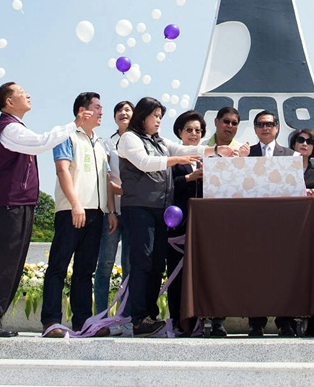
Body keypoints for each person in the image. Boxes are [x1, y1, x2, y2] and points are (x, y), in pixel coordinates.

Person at [0, 81, 77, 338]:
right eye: (21, 93)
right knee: (3, 264)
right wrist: (73, 125)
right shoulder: (9, 128)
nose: (28, 95)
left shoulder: (17, 127)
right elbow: (42, 142)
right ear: (9, 101)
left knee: (13, 264)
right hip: (9, 205)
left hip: (20, 205)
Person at [118, 96, 227, 337]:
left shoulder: (159, 141)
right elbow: (145, 163)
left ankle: (151, 316)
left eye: (160, 117)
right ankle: (138, 318)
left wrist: (216, 149)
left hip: (160, 209)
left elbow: (186, 149)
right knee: (142, 262)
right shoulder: (129, 139)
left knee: (157, 264)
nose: (158, 121)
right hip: (139, 208)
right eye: (155, 116)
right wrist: (176, 160)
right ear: (143, 116)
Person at [42, 92, 114, 337]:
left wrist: (111, 211)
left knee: (85, 270)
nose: (101, 111)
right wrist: (75, 204)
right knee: (58, 267)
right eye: (97, 107)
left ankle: (82, 320)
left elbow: (106, 179)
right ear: (82, 111)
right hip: (71, 211)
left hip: (97, 213)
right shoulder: (67, 136)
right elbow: (62, 171)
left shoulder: (100, 143)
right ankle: (51, 321)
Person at [246, 110, 300, 338]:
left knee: (283, 273)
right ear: (255, 129)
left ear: (277, 127)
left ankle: (285, 321)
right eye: (260, 124)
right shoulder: (246, 155)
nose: (265, 128)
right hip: (254, 223)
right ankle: (256, 322)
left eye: (269, 124)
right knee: (255, 272)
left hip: (282, 224)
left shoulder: (291, 155)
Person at [166, 111, 211, 336]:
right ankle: (176, 320)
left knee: (200, 275)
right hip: (177, 225)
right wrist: (188, 178)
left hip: (203, 226)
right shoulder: (172, 156)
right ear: (179, 133)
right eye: (189, 130)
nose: (194, 134)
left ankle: (198, 321)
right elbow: (165, 187)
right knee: (176, 274)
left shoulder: (208, 159)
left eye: (198, 131)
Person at [94, 100, 132, 317]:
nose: (123, 113)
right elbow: (106, 176)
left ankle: (125, 316)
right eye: (119, 110)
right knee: (105, 264)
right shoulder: (107, 143)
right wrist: (110, 211)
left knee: (129, 266)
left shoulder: (141, 142)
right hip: (114, 212)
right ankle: (100, 314)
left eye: (127, 110)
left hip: (134, 211)